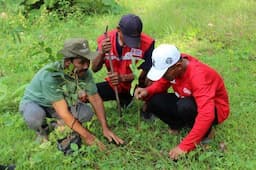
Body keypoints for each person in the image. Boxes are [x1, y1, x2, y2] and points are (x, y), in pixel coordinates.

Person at [19, 38, 124, 150]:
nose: (86, 66)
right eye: (81, 62)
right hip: (36, 103)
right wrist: (89, 137)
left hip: (59, 103)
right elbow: (63, 112)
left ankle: (59, 124)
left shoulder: (84, 72)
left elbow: (95, 99)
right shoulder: (50, 76)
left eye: (88, 61)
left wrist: (105, 128)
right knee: (35, 117)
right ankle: (43, 131)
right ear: (68, 62)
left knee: (86, 113)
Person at [134, 44, 230, 160]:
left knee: (185, 105)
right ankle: (178, 124)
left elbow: (207, 114)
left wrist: (184, 147)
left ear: (178, 66)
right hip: (187, 100)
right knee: (155, 99)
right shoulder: (175, 67)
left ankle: (207, 134)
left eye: (164, 73)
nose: (162, 76)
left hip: (214, 109)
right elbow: (162, 83)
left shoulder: (198, 75)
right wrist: (148, 91)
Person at [92, 14, 155, 111]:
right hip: (115, 85)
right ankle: (125, 99)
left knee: (154, 79)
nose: (131, 43)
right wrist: (101, 53)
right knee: (88, 92)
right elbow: (95, 68)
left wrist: (123, 78)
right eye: (128, 38)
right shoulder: (105, 41)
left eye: (135, 39)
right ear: (118, 29)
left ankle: (148, 108)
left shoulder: (147, 43)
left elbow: (146, 70)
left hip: (138, 84)